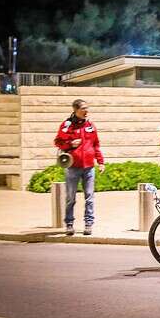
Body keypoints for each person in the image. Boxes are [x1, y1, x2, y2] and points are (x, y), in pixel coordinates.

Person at [54, 99, 104, 236]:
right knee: (71, 198)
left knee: (89, 197)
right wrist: (70, 144)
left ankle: (89, 224)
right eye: (83, 108)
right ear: (76, 110)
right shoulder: (67, 125)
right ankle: (69, 224)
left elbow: (96, 145)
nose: (86, 111)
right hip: (73, 168)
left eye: (87, 108)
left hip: (89, 167)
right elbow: (58, 142)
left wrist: (100, 162)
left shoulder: (90, 125)